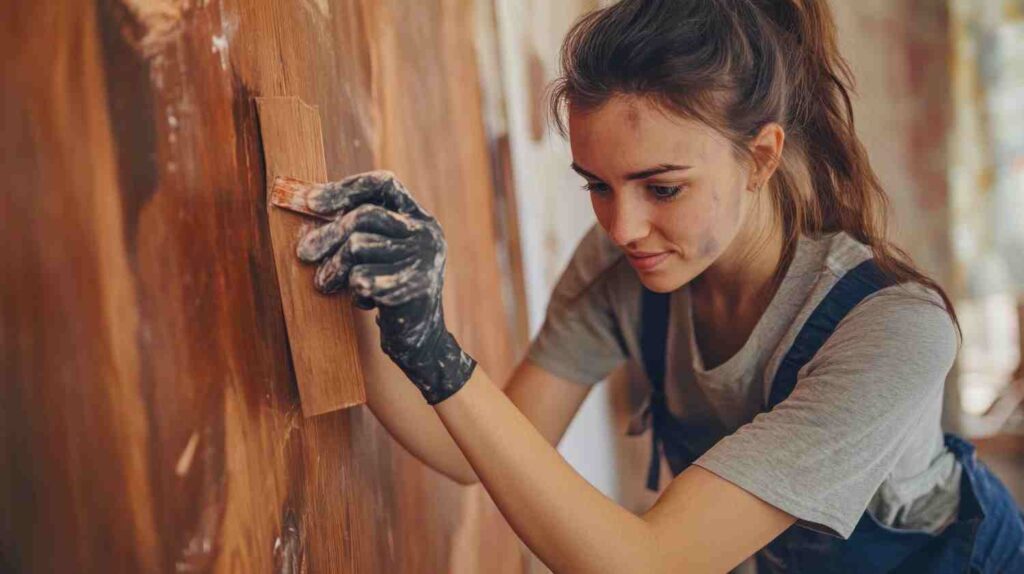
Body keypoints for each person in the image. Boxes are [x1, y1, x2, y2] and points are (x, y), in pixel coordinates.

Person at [289, 1, 1024, 571]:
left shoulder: (895, 329)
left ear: (761, 157)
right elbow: (464, 450)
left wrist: (439, 354)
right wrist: (374, 300)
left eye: (662, 188)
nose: (623, 226)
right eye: (597, 187)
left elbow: (652, 562)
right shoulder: (628, 266)